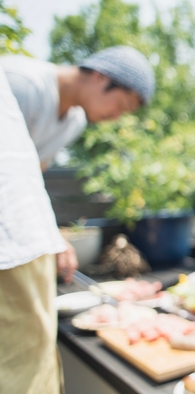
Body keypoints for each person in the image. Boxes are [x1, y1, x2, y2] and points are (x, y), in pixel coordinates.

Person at [0, 46, 154, 394]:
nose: (117, 116)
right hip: (8, 249)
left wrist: (52, 235)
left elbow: (28, 177)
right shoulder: (20, 82)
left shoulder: (73, 120)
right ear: (101, 76)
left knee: (36, 341)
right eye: (121, 105)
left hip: (24, 239)